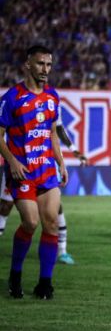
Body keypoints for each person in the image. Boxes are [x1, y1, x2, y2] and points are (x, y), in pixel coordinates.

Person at [0, 45, 68, 299]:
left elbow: (52, 133)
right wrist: (12, 161)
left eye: (49, 65)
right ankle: (15, 274)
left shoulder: (52, 96)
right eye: (41, 64)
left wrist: (61, 162)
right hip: (23, 171)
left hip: (47, 169)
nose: (45, 69)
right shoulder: (12, 97)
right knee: (30, 222)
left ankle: (45, 283)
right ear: (28, 64)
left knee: (51, 224)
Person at [0, 112, 88, 264]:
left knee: (55, 208)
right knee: (6, 206)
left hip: (44, 163)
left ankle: (62, 251)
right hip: (20, 164)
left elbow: (57, 129)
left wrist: (73, 150)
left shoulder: (50, 99)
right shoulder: (14, 100)